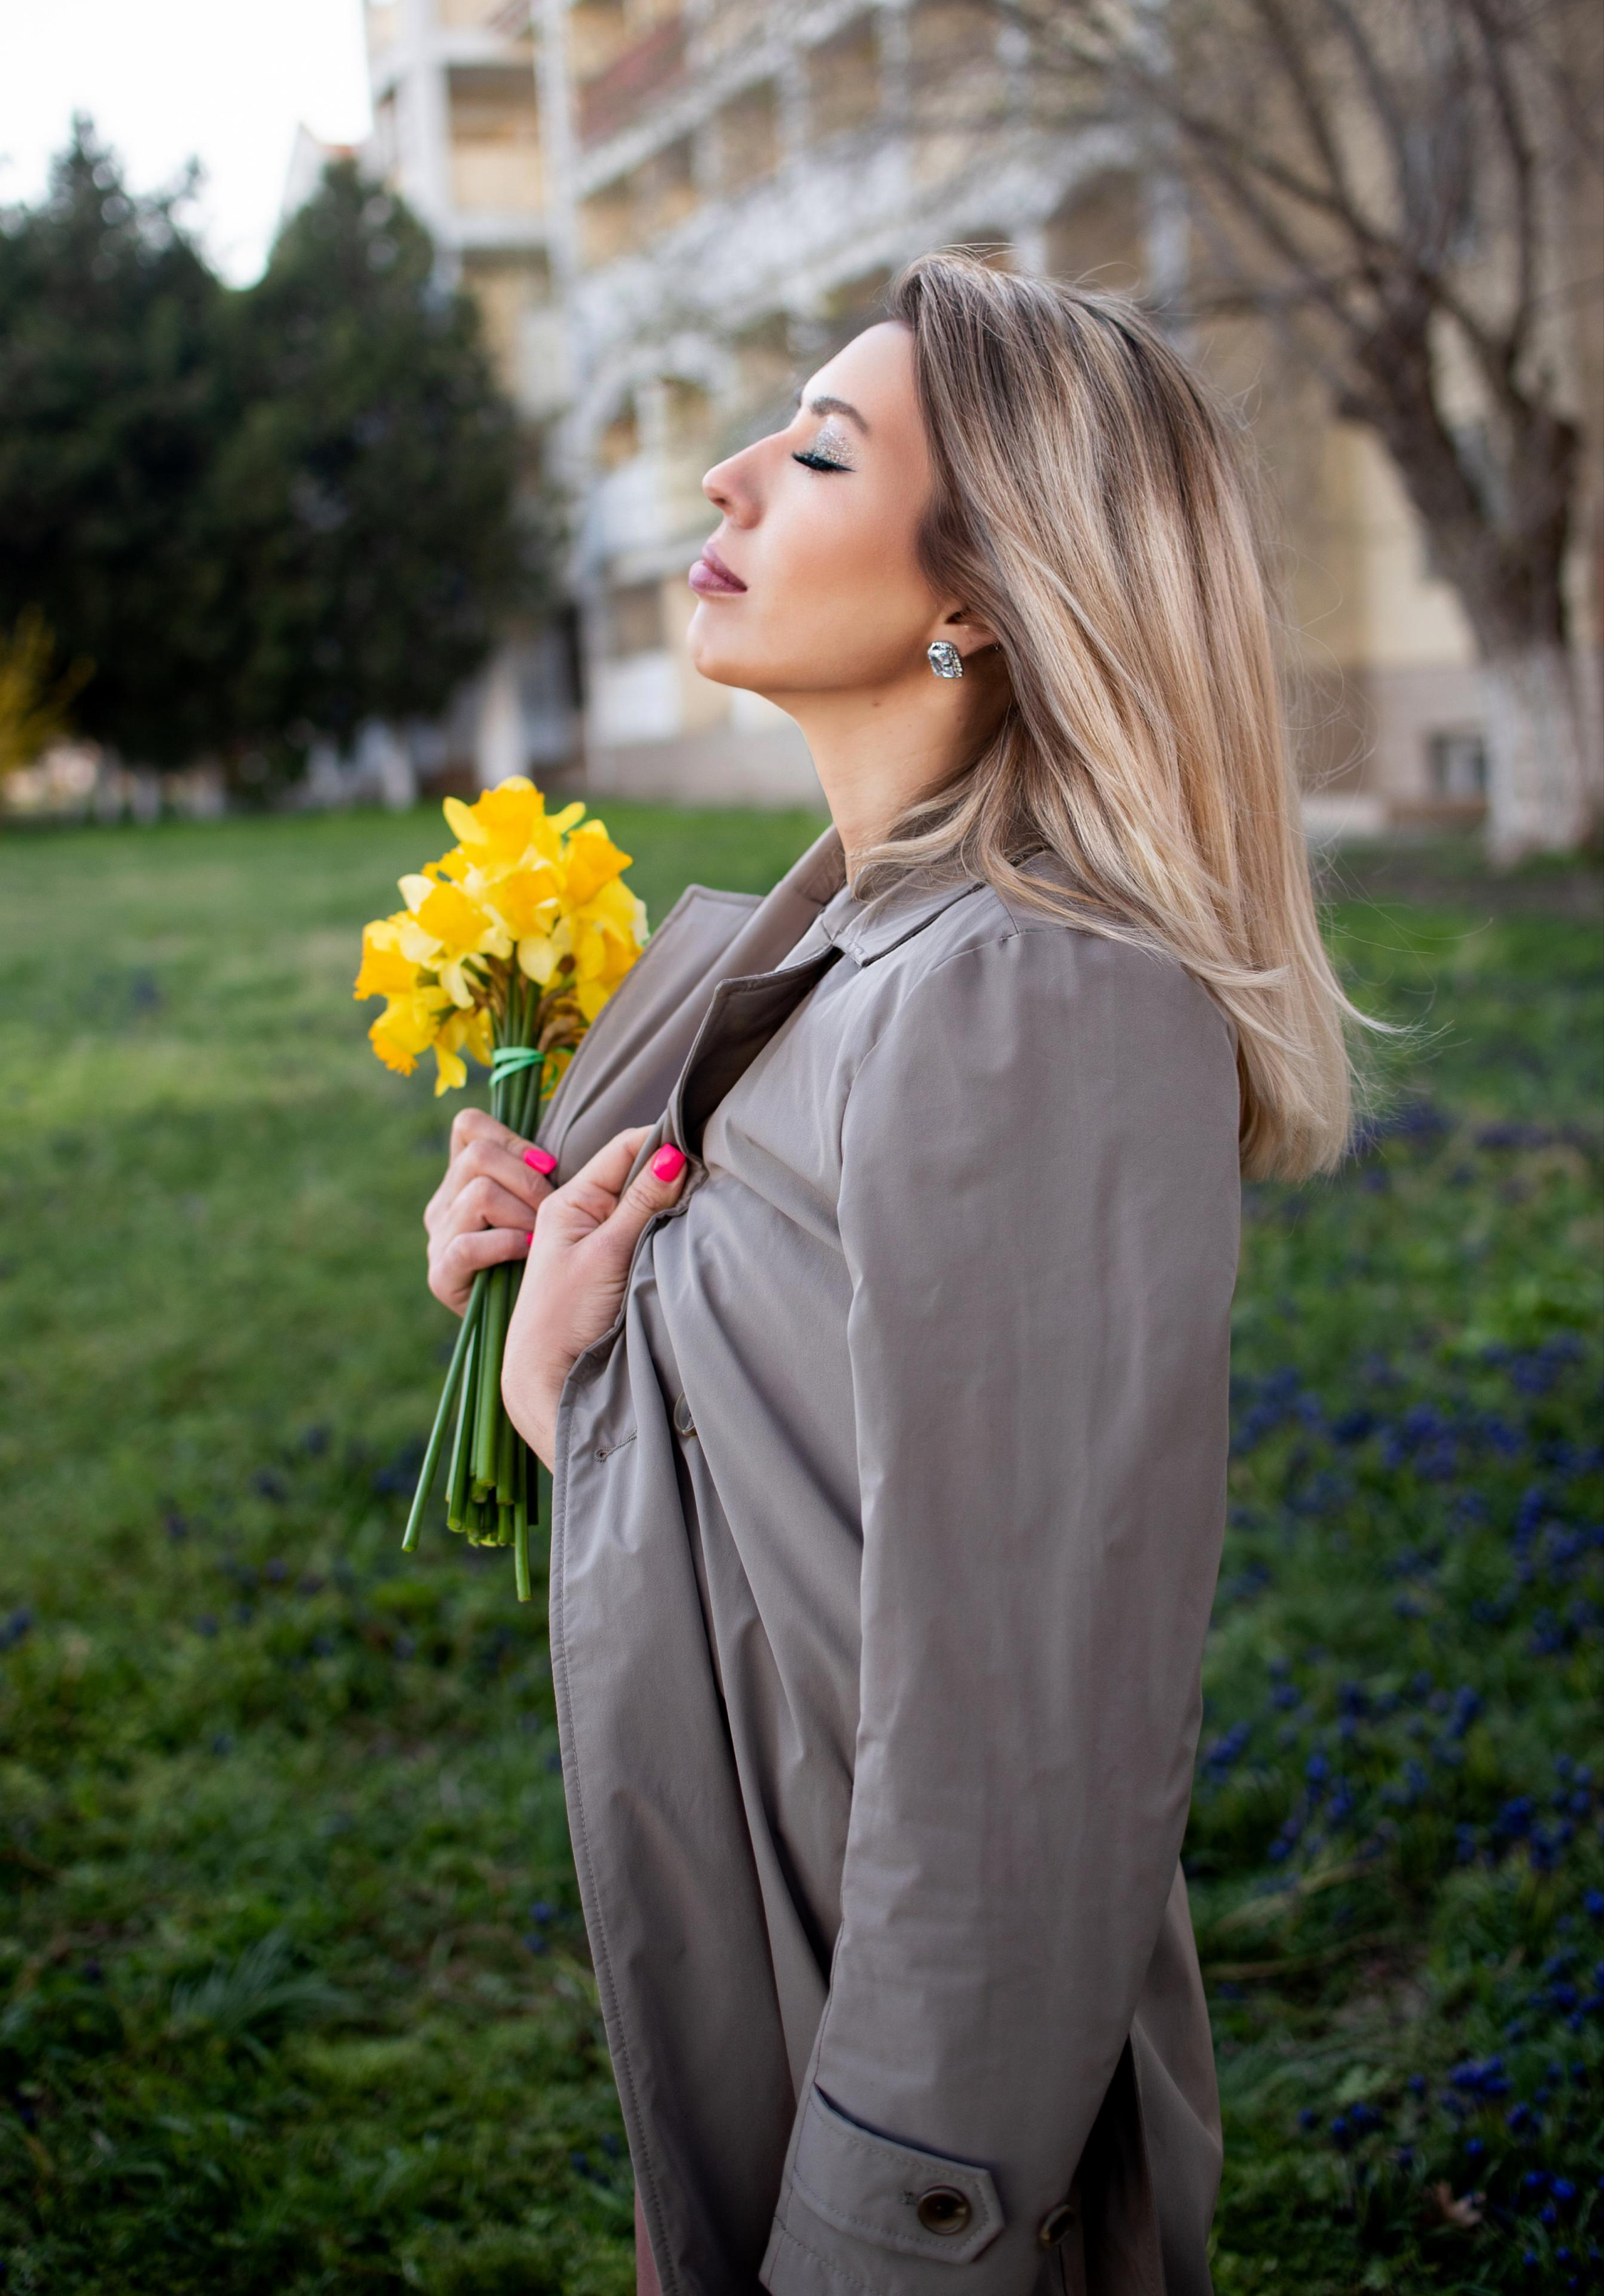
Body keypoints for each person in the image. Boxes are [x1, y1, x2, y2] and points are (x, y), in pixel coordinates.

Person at [420, 255, 1358, 2296]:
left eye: (822, 448)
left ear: (987, 594)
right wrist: (549, 1349)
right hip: (765, 1983)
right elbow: (784, 1484)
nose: (732, 472)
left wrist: (887, 2219)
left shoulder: (1035, 993)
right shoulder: (851, 947)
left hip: (913, 2113)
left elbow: (1030, 1744)